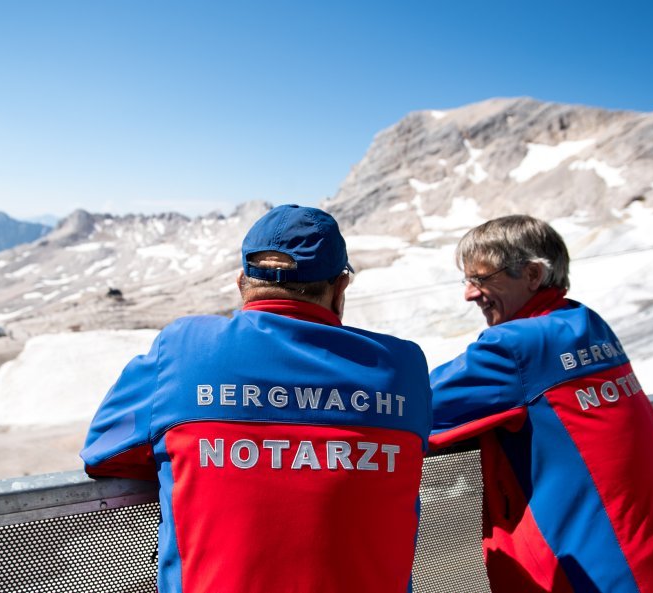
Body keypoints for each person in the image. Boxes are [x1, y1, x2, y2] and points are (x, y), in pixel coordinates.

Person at [81, 204, 432, 593]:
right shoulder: (403, 367)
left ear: (242, 284)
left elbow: (103, 451)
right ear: (339, 289)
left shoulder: (183, 349)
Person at [429, 214, 653, 593]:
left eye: (480, 278)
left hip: (588, 571)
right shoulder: (587, 322)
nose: (469, 293)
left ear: (531, 275)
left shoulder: (513, 347)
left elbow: (408, 408)